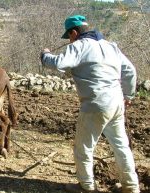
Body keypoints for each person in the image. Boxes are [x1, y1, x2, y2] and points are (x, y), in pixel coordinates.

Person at [40, 15, 140, 193]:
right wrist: (128, 95)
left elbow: (59, 63)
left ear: (74, 32)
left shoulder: (79, 46)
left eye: (69, 35)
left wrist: (45, 55)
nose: (69, 39)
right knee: (121, 146)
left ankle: (87, 187)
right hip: (117, 103)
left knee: (84, 147)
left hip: (95, 104)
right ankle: (131, 187)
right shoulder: (111, 46)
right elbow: (130, 71)